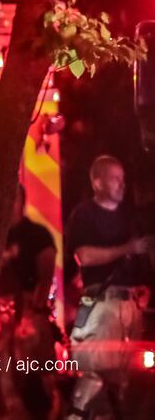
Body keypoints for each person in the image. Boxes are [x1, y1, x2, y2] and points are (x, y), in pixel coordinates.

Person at [65, 155, 154, 420]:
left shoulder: (129, 220)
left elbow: (140, 263)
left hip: (130, 308)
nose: (121, 184)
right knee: (94, 374)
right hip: (100, 305)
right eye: (115, 178)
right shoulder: (84, 215)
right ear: (97, 181)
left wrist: (144, 288)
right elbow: (85, 256)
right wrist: (129, 248)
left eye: (123, 179)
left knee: (125, 383)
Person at [0, 184, 60, 420]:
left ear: (22, 202)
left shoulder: (37, 235)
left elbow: (46, 273)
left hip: (28, 314)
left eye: (13, 198)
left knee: (35, 376)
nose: (8, 203)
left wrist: (35, 311)